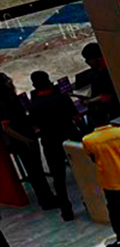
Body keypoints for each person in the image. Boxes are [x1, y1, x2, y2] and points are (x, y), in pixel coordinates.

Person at [1, 72, 57, 212]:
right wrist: (25, 140)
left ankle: (48, 197)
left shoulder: (12, 99)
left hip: (28, 136)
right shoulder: (3, 103)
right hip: (22, 141)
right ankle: (46, 200)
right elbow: (5, 127)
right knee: (34, 172)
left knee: (37, 169)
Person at [25, 71, 78, 221]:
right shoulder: (63, 98)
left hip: (50, 143)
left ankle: (66, 211)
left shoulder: (34, 106)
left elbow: (34, 126)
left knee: (58, 179)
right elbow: (76, 117)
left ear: (34, 86)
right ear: (49, 82)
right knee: (82, 172)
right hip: (70, 139)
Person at [76, 43, 120, 129]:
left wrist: (88, 102)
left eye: (89, 59)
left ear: (98, 58)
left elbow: (107, 96)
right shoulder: (96, 72)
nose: (87, 62)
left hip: (111, 113)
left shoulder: (107, 73)